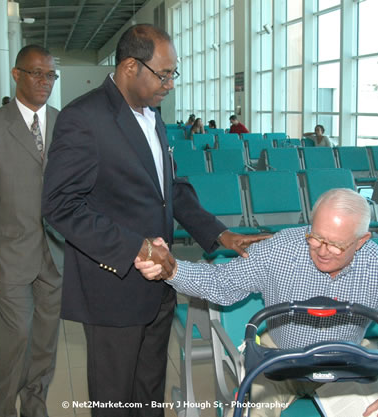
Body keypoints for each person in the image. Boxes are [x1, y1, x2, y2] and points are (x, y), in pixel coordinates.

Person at [42, 24, 269, 417]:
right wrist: (135, 247)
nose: (170, 84)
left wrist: (220, 234)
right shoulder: (85, 118)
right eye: (163, 74)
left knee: (148, 395)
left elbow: (172, 189)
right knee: (115, 401)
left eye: (172, 74)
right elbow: (60, 205)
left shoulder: (151, 116)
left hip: (159, 285)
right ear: (131, 66)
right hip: (113, 289)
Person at [136, 188, 378, 417]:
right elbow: (222, 284)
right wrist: (173, 269)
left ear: (362, 241)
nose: (322, 250)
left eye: (336, 245)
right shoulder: (280, 249)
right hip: (279, 360)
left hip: (344, 365)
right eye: (315, 237)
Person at [0, 45, 64, 417]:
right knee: (15, 339)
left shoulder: (63, 122)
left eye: (50, 74)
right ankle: (3, 409)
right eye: (36, 73)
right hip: (8, 257)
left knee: (44, 342)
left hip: (55, 255)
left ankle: (34, 407)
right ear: (16, 74)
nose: (44, 81)